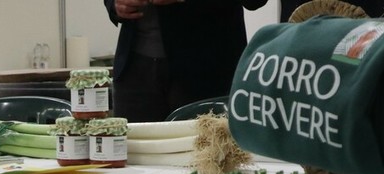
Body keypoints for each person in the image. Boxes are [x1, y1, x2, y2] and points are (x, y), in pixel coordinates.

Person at [104, 0, 267, 122]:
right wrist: (114, 3)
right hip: (134, 71)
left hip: (208, 70)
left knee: (209, 155)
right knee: (131, 155)